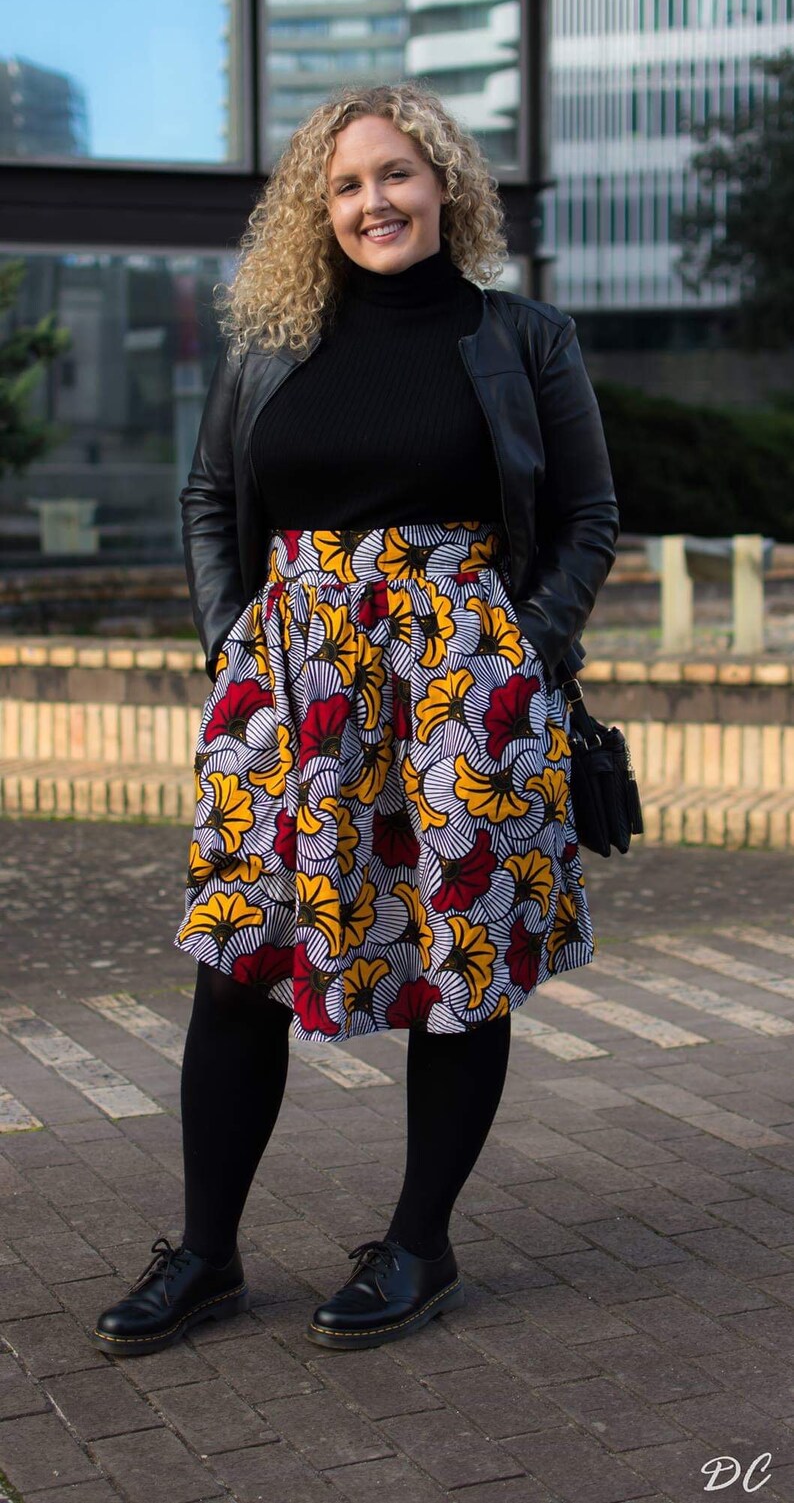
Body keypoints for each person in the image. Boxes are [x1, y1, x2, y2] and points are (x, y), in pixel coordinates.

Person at [92, 82, 619, 1358]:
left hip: (461, 690)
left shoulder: (523, 338)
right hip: (290, 689)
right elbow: (212, 495)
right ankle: (206, 1254)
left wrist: (516, 652)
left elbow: (588, 516)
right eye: (343, 185)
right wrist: (232, 644)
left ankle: (418, 1245)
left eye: (394, 174)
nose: (371, 201)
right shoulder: (274, 341)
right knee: (241, 961)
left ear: (443, 182)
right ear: (314, 209)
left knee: (459, 966)